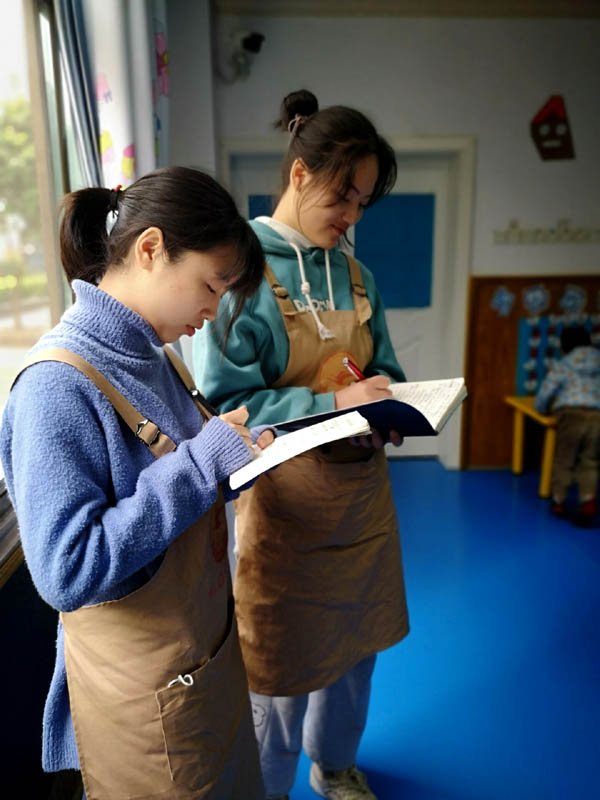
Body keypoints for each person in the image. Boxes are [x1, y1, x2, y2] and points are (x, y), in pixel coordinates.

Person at [0, 166, 276, 800]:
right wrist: (203, 464)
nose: (214, 309)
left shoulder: (160, 358)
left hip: (204, 662)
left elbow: (180, 486)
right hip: (142, 703)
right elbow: (67, 570)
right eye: (211, 284)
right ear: (151, 249)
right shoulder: (55, 386)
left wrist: (233, 465)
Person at [194, 90, 409, 800]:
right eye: (343, 195)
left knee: (357, 658)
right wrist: (329, 402)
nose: (350, 216)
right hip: (283, 513)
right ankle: (266, 789)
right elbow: (226, 404)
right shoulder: (243, 273)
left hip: (361, 506)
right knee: (279, 675)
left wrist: (395, 399)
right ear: (299, 175)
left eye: (363, 202)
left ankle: (335, 765)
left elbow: (387, 369)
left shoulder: (356, 275)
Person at [535, 324, 600, 525]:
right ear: (589, 342)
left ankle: (559, 501)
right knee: (589, 460)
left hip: (571, 415)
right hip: (597, 415)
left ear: (563, 347)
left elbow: (547, 390)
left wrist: (541, 407)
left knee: (564, 459)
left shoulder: (563, 364)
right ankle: (588, 500)